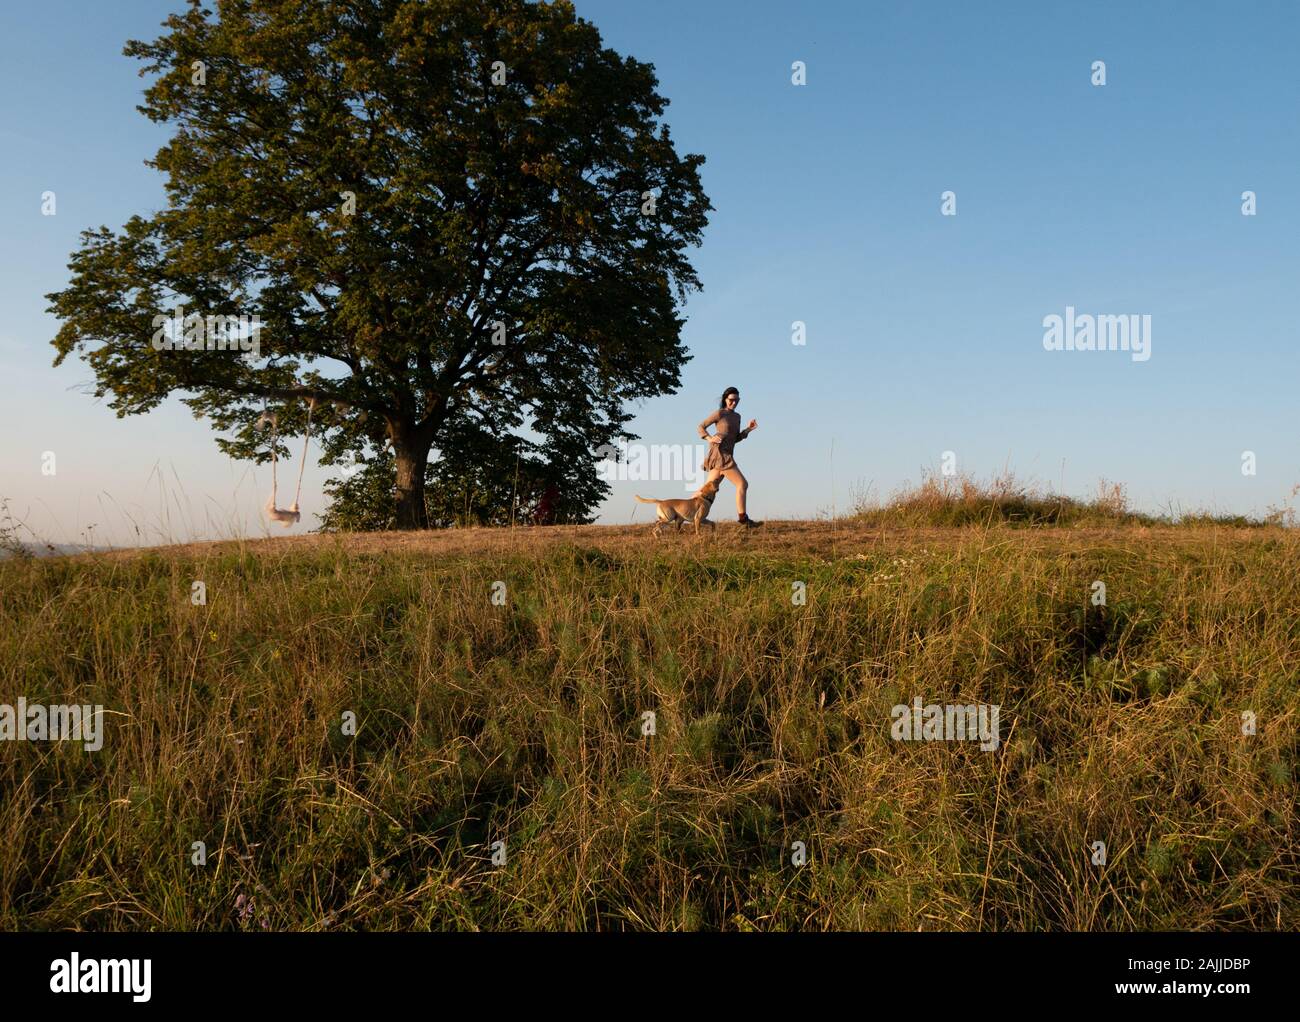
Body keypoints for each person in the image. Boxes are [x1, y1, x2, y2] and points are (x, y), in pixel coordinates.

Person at [698, 386, 760, 527]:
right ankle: (743, 519)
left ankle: (681, 513)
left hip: (727, 453)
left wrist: (748, 429)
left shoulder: (737, 417)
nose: (734, 402)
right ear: (725, 399)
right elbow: (700, 426)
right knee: (742, 484)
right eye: (731, 400)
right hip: (720, 454)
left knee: (706, 491)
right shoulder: (720, 413)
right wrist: (709, 438)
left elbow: (735, 438)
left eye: (737, 400)